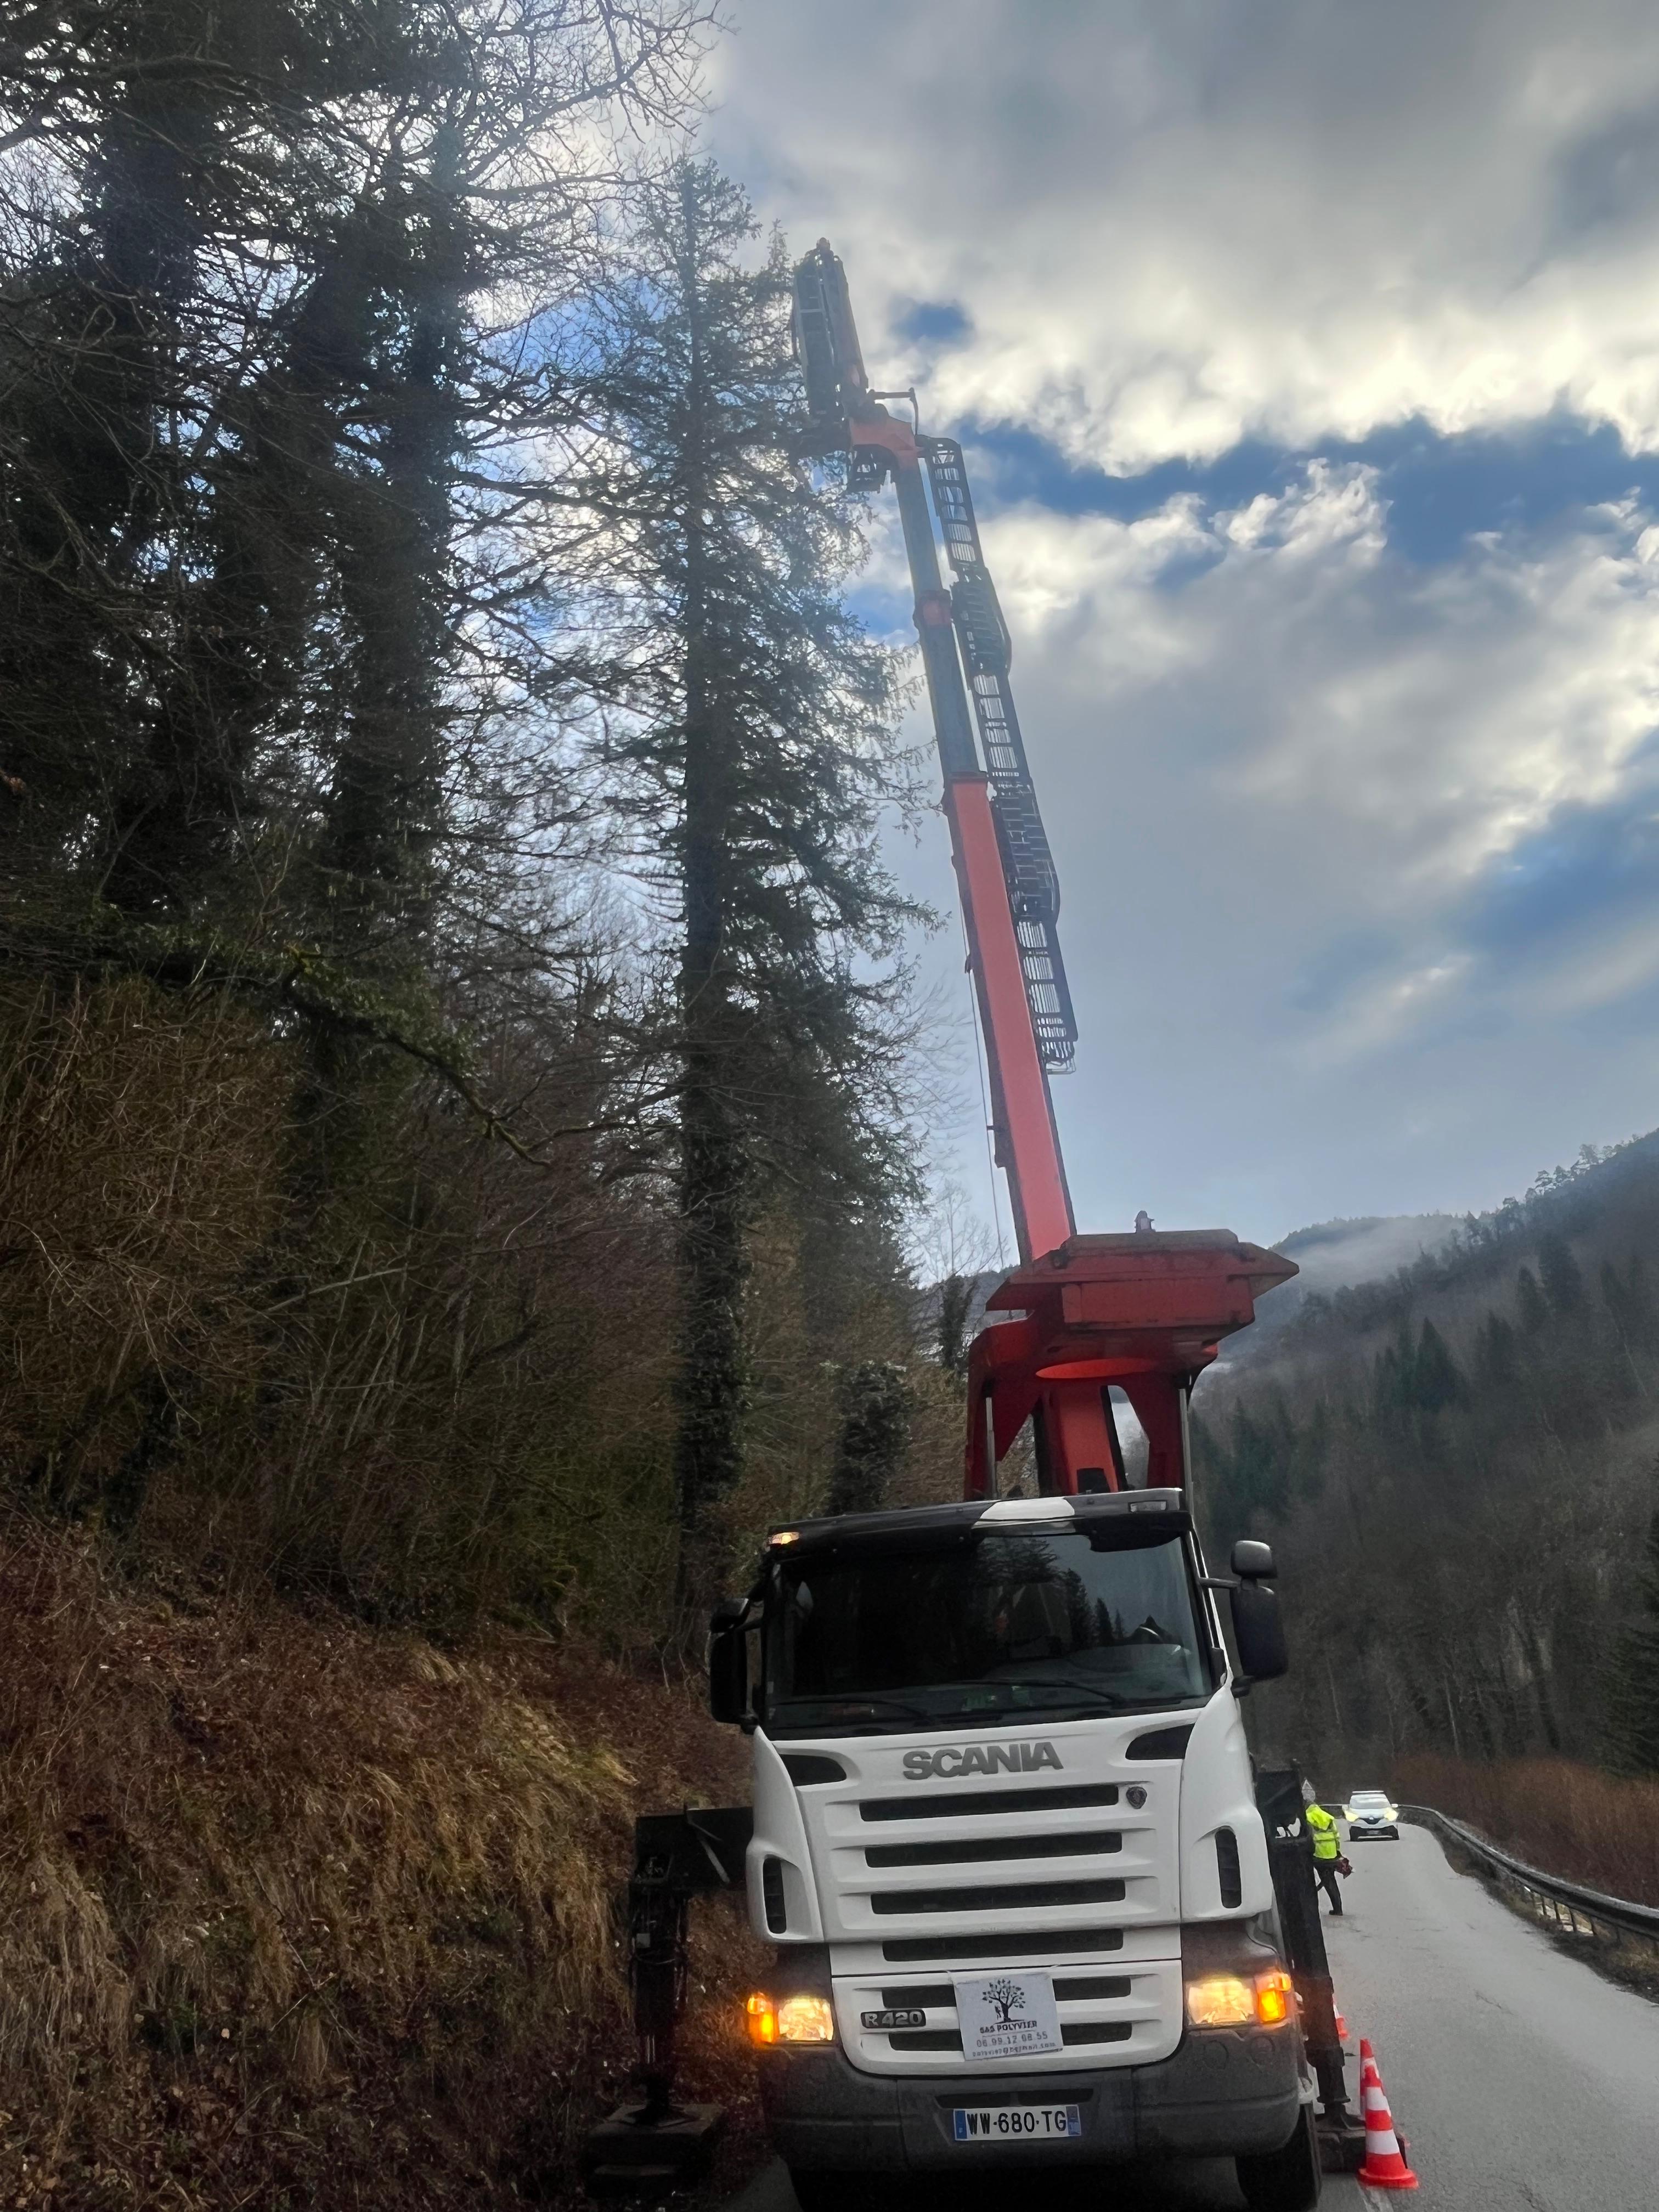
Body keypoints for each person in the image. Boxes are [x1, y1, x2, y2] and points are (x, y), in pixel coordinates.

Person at [1303, 1788, 1344, 1915]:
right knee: (1331, 1881)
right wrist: (1337, 1852)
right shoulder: (1328, 1817)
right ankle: (1338, 1908)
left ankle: (1311, 1908)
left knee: (1318, 1881)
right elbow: (1337, 1836)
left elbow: (1307, 1837)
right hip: (1331, 1854)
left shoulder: (1307, 1817)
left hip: (1317, 1854)